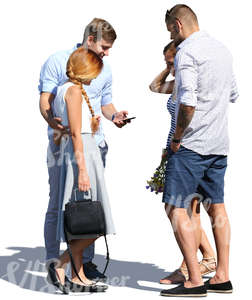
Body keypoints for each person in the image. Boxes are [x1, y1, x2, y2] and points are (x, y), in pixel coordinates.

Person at [38, 18, 128, 283]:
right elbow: (47, 101)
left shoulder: (105, 69)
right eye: (104, 46)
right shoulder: (59, 61)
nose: (107, 52)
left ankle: (82, 267)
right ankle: (56, 262)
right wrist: (53, 123)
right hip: (68, 147)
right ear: (91, 40)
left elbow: (105, 104)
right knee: (59, 204)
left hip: (93, 146)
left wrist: (114, 117)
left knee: (88, 209)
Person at [159, 4, 238, 297]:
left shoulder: (187, 52)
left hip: (191, 144)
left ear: (178, 25)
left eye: (170, 30)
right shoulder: (223, 50)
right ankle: (222, 275)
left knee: (175, 207)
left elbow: (188, 102)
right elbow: (233, 94)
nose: (171, 35)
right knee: (216, 206)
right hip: (219, 144)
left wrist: (177, 138)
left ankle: (194, 280)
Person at [46, 47, 115, 294]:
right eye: (94, 71)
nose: (96, 77)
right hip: (82, 155)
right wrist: (83, 170)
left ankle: (79, 275)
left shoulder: (65, 89)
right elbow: (75, 133)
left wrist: (93, 125)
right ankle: (62, 263)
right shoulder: (74, 91)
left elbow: (68, 128)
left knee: (82, 220)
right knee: (94, 220)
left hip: (81, 152)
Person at [149, 41, 216, 285]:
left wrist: (176, 145)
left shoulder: (192, 84)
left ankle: (189, 268)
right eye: (167, 63)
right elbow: (154, 86)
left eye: (171, 62)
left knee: (186, 210)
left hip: (189, 151)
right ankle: (206, 257)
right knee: (187, 210)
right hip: (175, 150)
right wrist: (169, 68)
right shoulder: (178, 84)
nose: (170, 67)